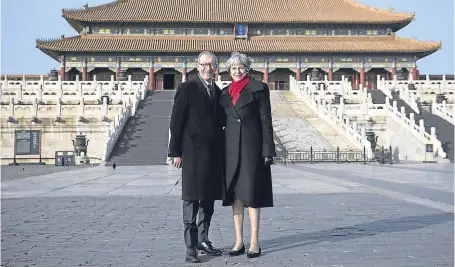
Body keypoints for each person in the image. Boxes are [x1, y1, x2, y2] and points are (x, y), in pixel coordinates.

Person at [168, 51, 225, 263]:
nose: (207, 68)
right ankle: (190, 247)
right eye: (203, 64)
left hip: (212, 154)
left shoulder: (218, 91)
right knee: (191, 200)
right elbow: (176, 122)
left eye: (211, 64)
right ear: (197, 66)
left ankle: (203, 239)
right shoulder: (187, 88)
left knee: (208, 200)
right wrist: (175, 151)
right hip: (192, 153)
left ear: (216, 67)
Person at [219, 52, 275, 258]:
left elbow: (266, 121)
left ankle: (254, 242)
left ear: (247, 69)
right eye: (234, 68)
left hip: (252, 149)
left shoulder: (259, 88)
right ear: (229, 71)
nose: (238, 71)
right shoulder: (224, 94)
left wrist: (268, 150)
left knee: (252, 196)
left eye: (241, 67)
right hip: (231, 151)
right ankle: (238, 242)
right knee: (236, 198)